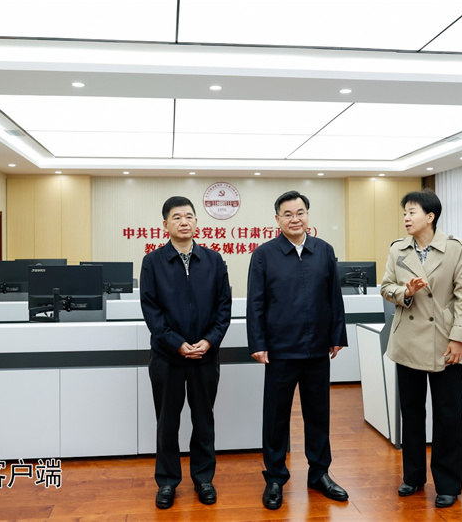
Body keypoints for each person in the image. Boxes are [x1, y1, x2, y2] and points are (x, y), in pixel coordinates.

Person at [246, 190, 350, 510]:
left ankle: (319, 473)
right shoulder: (264, 254)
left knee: (318, 415)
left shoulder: (323, 250)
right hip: (280, 351)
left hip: (317, 349)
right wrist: (258, 343)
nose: (295, 218)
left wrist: (337, 335)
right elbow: (255, 303)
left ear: (308, 215)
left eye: (300, 212)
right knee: (276, 418)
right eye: (288, 214)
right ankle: (275, 477)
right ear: (277, 219)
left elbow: (334, 297)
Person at [380, 188, 462, 509]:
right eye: (404, 212)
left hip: (444, 341)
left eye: (412, 212)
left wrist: (459, 337)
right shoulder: (398, 249)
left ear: (430, 216)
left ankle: (447, 484)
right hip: (407, 341)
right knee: (412, 412)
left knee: (448, 415)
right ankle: (413, 476)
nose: (406, 218)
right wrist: (404, 292)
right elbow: (386, 287)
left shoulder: (455, 248)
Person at [140, 196, 232, 509]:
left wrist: (209, 341)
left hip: (205, 355)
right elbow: (151, 311)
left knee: (204, 419)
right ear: (165, 224)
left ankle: (204, 479)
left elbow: (224, 306)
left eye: (189, 216)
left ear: (196, 222)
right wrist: (177, 343)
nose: (184, 221)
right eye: (177, 217)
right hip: (167, 356)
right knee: (167, 421)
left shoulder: (214, 260)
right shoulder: (153, 262)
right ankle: (167, 482)